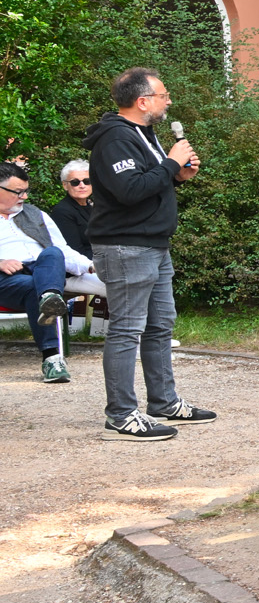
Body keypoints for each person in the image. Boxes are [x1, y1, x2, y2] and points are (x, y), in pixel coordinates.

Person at [84, 67, 213, 440]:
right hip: (126, 246)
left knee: (159, 325)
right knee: (127, 329)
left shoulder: (144, 134)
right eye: (163, 95)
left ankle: (164, 402)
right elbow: (129, 190)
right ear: (142, 101)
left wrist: (176, 176)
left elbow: (148, 181)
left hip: (153, 244)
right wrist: (171, 163)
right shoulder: (115, 139)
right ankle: (121, 415)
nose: (168, 101)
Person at [0, 163, 91, 384]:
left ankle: (50, 298)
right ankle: (52, 355)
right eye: (18, 192)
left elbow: (63, 251)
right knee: (35, 287)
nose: (24, 197)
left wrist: (91, 266)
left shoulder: (35, 214)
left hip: (42, 273)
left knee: (51, 253)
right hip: (7, 279)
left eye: (26, 191)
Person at [51, 159, 94, 257]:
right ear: (65, 185)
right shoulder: (62, 212)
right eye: (75, 182)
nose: (82, 186)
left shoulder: (93, 206)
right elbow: (74, 251)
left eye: (87, 181)